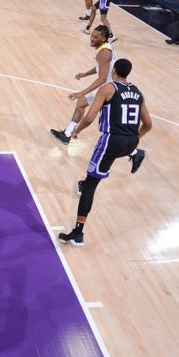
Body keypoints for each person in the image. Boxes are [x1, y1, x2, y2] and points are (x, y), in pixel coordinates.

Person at [58, 59, 151, 245]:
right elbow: (148, 124)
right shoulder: (138, 92)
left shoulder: (108, 88)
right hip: (131, 140)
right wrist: (133, 142)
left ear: (114, 70)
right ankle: (134, 152)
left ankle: (78, 233)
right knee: (96, 172)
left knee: (92, 184)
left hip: (111, 141)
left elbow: (90, 117)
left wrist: (76, 131)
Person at [51, 26, 116, 145]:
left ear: (104, 38)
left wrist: (82, 92)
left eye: (96, 37)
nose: (92, 38)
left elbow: (102, 78)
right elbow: (101, 67)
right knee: (82, 104)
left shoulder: (103, 53)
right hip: (110, 85)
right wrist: (86, 74)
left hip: (109, 88)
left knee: (84, 105)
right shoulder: (104, 48)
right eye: (92, 35)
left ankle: (134, 152)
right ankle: (67, 134)